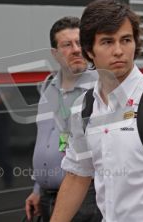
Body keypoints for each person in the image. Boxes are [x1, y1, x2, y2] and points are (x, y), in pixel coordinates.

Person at [50, 0, 143, 222]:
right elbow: (76, 176)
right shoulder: (83, 108)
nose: (119, 51)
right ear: (89, 51)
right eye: (107, 42)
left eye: (126, 40)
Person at [25, 16, 101, 222]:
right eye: (67, 44)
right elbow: (46, 141)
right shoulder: (48, 87)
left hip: (83, 197)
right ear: (55, 53)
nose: (76, 49)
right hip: (46, 197)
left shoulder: (100, 89)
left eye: (80, 43)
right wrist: (38, 189)